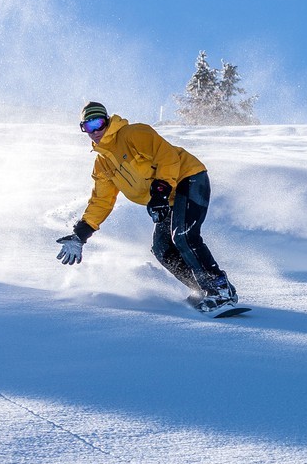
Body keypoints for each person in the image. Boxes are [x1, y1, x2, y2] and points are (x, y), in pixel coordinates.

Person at [55, 101, 237, 310]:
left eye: (98, 123)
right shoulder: (102, 164)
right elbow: (101, 201)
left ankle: (220, 289)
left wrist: (160, 191)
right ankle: (202, 290)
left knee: (183, 236)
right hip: (167, 198)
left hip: (188, 178)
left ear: (107, 121)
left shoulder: (133, 134)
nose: (95, 131)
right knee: (162, 248)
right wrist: (81, 234)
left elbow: (167, 156)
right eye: (88, 126)